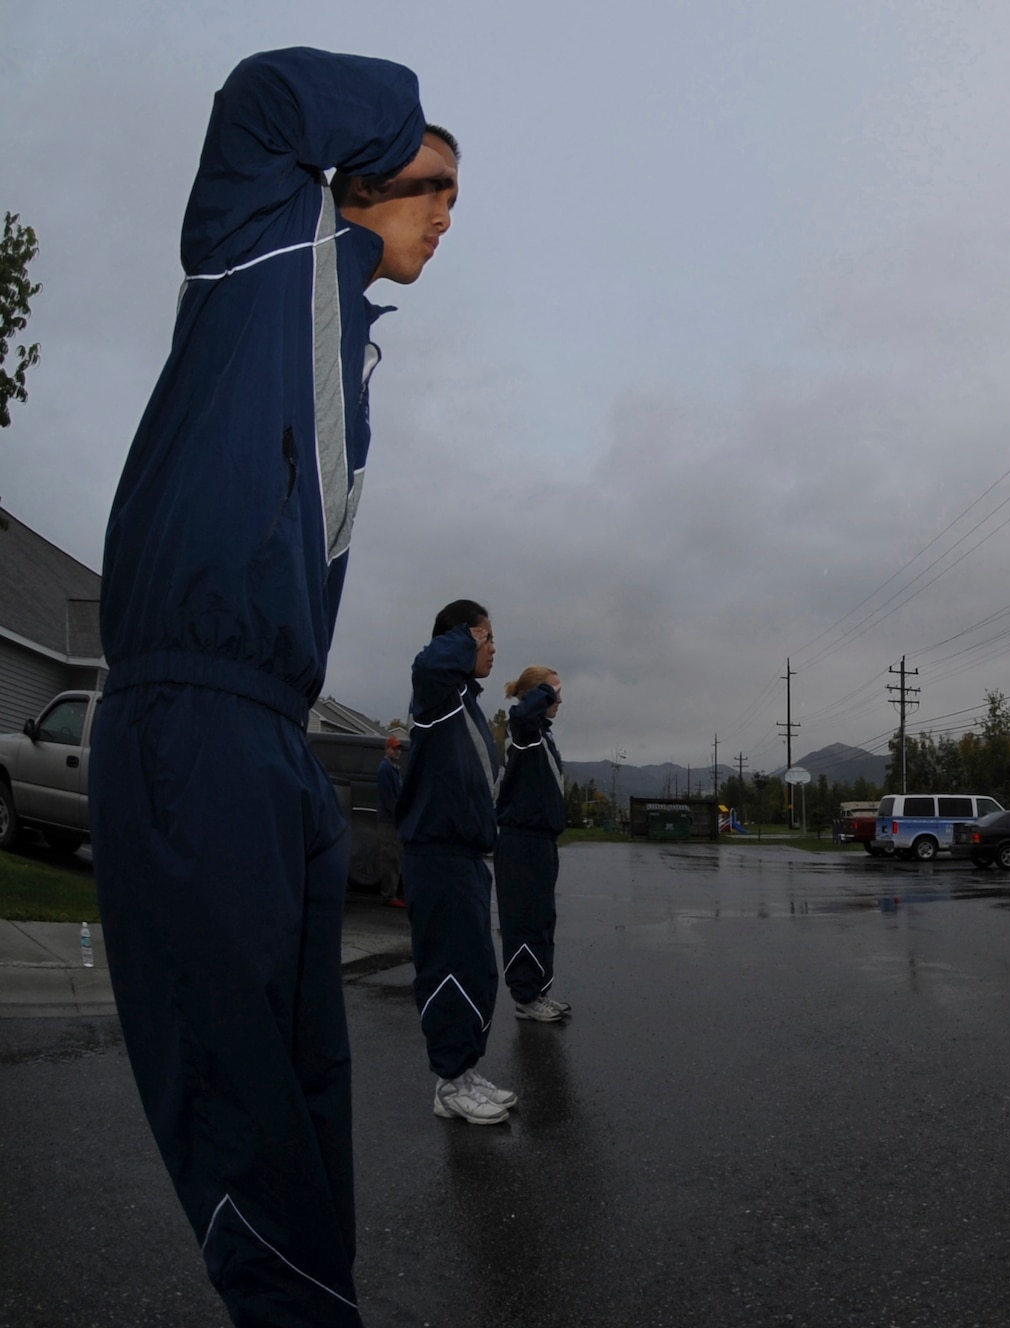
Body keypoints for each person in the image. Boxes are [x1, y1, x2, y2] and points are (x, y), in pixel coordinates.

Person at [89, 46, 455, 1324]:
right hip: (188, 720)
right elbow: (260, 93)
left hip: (277, 741)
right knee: (240, 1118)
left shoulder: (355, 343)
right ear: (362, 177)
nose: (450, 211)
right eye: (435, 183)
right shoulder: (256, 245)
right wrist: (398, 126)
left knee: (307, 1103)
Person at [399, 600, 516, 1125]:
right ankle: (448, 1083)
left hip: (467, 857)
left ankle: (463, 1069)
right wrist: (467, 634)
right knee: (447, 968)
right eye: (486, 638)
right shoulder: (438, 694)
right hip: (437, 855)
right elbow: (427, 663)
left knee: (474, 968)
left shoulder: (464, 702)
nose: (492, 649)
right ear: (462, 639)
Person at [496, 665, 572, 1022]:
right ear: (538, 696)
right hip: (520, 841)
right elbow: (522, 713)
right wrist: (542, 693)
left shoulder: (541, 734)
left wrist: (546, 693)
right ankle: (525, 995)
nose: (560, 700)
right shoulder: (523, 731)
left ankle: (538, 992)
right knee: (524, 918)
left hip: (542, 841)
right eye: (554, 693)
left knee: (542, 918)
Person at [378, 733, 407, 907]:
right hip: (388, 822)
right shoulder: (385, 769)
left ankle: (392, 893)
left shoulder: (394, 769)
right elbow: (389, 798)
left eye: (398, 749)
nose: (397, 751)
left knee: (396, 857)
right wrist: (400, 815)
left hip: (394, 821)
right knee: (390, 858)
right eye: (394, 748)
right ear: (387, 749)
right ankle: (388, 895)